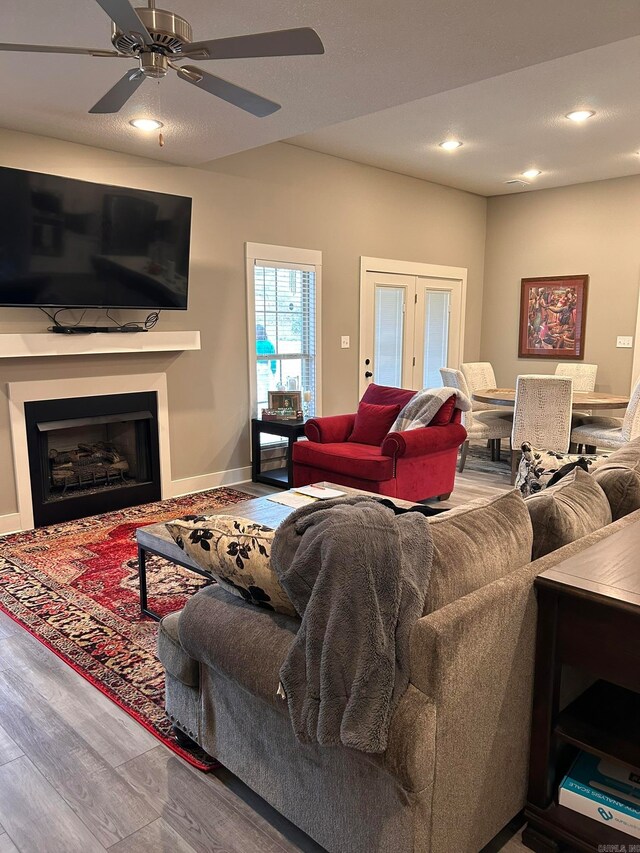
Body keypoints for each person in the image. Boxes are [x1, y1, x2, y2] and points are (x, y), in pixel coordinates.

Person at [256, 324, 277, 411]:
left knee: (259, 389)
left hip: (258, 368)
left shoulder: (255, 344)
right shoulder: (269, 344)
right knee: (265, 389)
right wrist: (273, 370)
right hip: (265, 368)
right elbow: (273, 360)